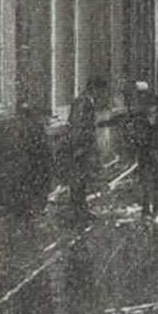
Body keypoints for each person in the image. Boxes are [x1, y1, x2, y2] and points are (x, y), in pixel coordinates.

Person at [64, 76, 110, 224]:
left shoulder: (84, 101)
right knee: (78, 181)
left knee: (81, 180)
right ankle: (77, 212)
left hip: (81, 146)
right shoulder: (84, 102)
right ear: (95, 89)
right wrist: (80, 147)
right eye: (101, 91)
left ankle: (81, 210)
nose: (102, 95)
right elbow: (77, 126)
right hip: (79, 147)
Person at [127, 81, 158, 219]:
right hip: (145, 154)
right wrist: (139, 146)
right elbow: (135, 136)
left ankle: (157, 207)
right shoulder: (140, 119)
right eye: (147, 106)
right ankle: (145, 207)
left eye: (152, 106)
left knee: (157, 181)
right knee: (145, 181)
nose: (150, 109)